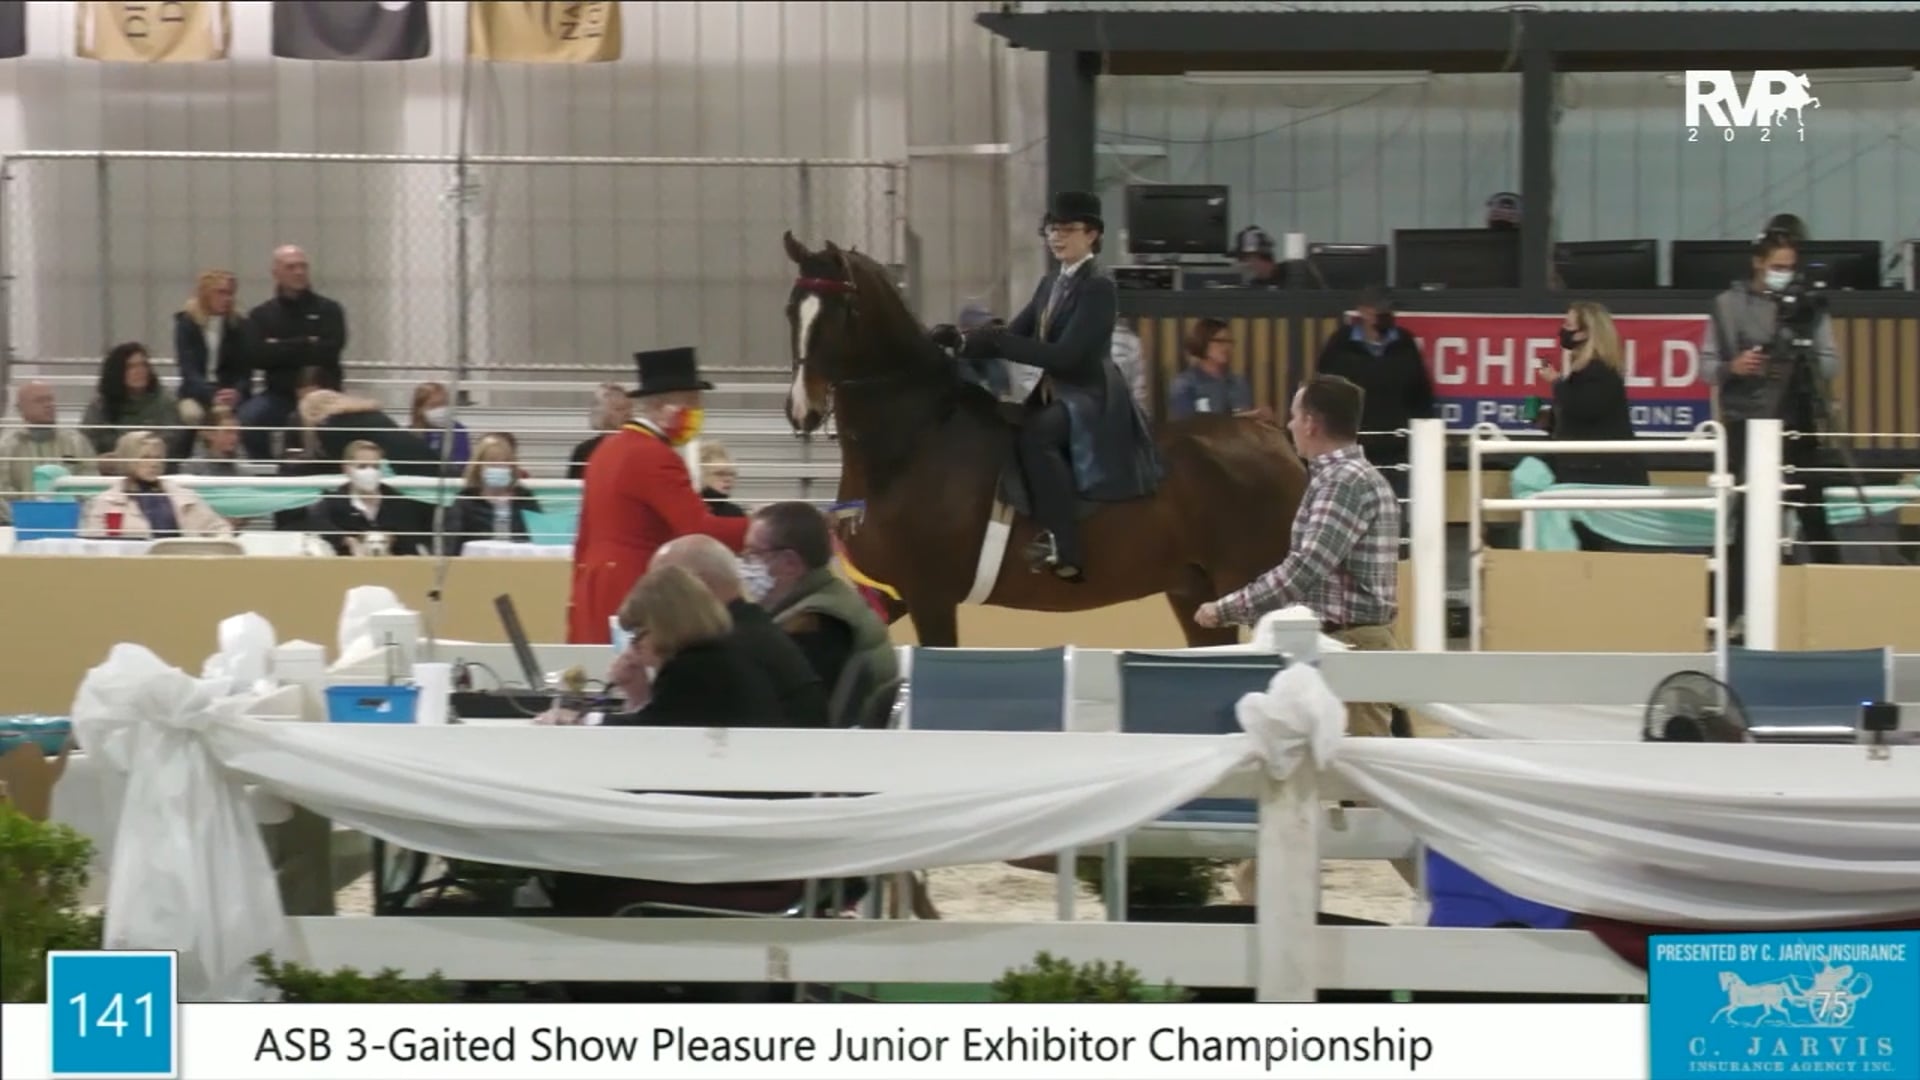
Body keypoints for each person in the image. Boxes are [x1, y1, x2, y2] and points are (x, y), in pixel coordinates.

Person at [948, 190, 1160, 582]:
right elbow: (1013, 333)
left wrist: (1001, 343)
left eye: (1067, 229)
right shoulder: (1050, 283)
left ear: (1092, 234)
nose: (1056, 236)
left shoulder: (1099, 287)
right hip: (1056, 393)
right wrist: (959, 343)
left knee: (1036, 436)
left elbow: (1067, 356)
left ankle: (1065, 544)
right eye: (1051, 229)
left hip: (1089, 396)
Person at [1194, 374, 1403, 739]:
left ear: (1310, 423)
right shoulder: (1344, 478)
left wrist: (1225, 608)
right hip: (1343, 644)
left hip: (1349, 647)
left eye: (1293, 416)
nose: (1289, 425)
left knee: (1356, 766)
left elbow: (1304, 569)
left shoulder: (1342, 482)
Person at [1700, 227, 1841, 627]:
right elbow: (1706, 367)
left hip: (1798, 421)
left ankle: (1835, 606)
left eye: (1790, 267)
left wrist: (1804, 353)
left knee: (1813, 513)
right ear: (1758, 263)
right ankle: (1730, 612)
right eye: (1777, 266)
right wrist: (1734, 367)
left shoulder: (1808, 305)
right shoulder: (1728, 305)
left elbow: (1832, 363)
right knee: (1747, 518)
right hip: (1748, 421)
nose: (1784, 273)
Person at [566, 347, 749, 644]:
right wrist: (759, 528)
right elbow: (698, 529)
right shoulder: (653, 456)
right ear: (663, 406)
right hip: (634, 589)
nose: (698, 412)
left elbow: (583, 538)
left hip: (595, 588)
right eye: (692, 402)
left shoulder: (606, 450)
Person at [651, 535, 830, 728]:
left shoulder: (707, 655)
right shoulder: (755, 628)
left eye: (660, 589)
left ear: (696, 586)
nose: (652, 603)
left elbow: (654, 732)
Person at [744, 500, 898, 722]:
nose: (745, 562)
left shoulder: (813, 623)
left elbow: (788, 710)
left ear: (790, 563)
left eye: (753, 553)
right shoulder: (833, 598)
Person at [1314, 285, 1436, 500]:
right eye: (1380, 310)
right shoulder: (1340, 345)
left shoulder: (1405, 343)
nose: (1387, 315)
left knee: (1397, 507)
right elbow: (1325, 394)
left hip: (1397, 450)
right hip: (1352, 449)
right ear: (1363, 311)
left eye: (1390, 310)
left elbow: (1421, 394)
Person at [239, 245, 348, 459]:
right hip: (279, 396)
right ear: (276, 273)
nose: (299, 272)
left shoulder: (329, 310)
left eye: (303, 266)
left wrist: (279, 345)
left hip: (324, 396)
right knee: (249, 419)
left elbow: (329, 351)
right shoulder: (262, 314)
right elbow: (258, 356)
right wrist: (306, 342)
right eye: (291, 267)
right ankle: (265, 470)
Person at [1528, 301, 1647, 489]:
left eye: (1568, 325)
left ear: (1584, 333)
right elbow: (1581, 420)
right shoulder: (1583, 371)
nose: (1562, 330)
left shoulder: (1600, 371)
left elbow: (1585, 408)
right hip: (1585, 471)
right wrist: (1549, 420)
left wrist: (1556, 382)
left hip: (1605, 476)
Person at [79, 430, 230, 540]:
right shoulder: (106, 503)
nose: (154, 464)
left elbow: (221, 529)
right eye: (145, 457)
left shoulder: (184, 497)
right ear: (127, 458)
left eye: (157, 457)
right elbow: (93, 544)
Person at [304, 439, 435, 556]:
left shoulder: (398, 503)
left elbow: (411, 545)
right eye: (362, 466)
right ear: (346, 469)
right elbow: (316, 522)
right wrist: (347, 540)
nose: (370, 472)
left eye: (375, 467)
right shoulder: (333, 502)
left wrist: (392, 542)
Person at [0, 381, 97, 521]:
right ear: (21, 409)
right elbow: (2, 495)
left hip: (72, 523)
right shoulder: (6, 447)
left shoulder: (76, 442)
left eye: (50, 399)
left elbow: (92, 487)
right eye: (40, 400)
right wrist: (27, 519)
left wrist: (76, 517)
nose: (49, 405)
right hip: (19, 525)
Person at [80, 343, 183, 459]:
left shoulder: (165, 402)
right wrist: (100, 461)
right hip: (110, 468)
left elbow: (171, 442)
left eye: (143, 365)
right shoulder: (100, 405)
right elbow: (85, 444)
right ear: (117, 371)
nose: (139, 371)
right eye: (131, 367)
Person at [447, 433, 540, 555]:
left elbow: (540, 537)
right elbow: (450, 548)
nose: (499, 467)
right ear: (478, 468)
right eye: (492, 463)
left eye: (504, 462)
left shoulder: (524, 498)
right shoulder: (466, 501)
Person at [174, 269, 249, 411]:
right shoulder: (187, 323)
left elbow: (244, 371)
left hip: (227, 391)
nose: (227, 298)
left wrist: (236, 392)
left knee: (238, 414)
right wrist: (210, 395)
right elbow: (188, 369)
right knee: (191, 414)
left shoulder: (238, 325)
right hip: (195, 392)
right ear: (205, 294)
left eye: (230, 293)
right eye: (221, 293)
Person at [1167, 318, 1254, 419]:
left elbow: (1244, 419)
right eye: (1220, 341)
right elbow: (1185, 423)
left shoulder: (1239, 383)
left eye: (1230, 342)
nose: (1226, 347)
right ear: (1203, 341)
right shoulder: (1185, 383)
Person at [567, 383, 629, 480]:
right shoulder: (584, 451)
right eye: (618, 409)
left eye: (626, 409)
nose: (627, 414)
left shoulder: (635, 448)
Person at [409, 380, 472, 466]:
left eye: (444, 404)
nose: (441, 409)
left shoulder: (458, 430)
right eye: (434, 405)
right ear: (420, 409)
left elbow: (461, 463)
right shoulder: (410, 434)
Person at [697, 441, 746, 517]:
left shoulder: (735, 513)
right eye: (720, 474)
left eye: (731, 474)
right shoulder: (686, 510)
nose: (728, 479)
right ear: (701, 475)